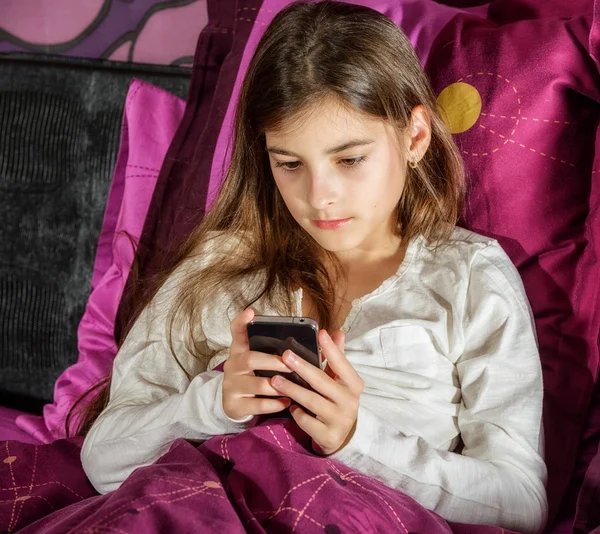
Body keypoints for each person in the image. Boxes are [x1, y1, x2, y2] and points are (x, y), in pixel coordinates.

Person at [80, 1, 548, 532]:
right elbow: (103, 460)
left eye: (350, 159)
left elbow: (521, 504)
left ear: (414, 137)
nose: (320, 197)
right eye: (290, 164)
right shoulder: (220, 267)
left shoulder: (470, 278)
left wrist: (357, 438)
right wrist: (213, 402)